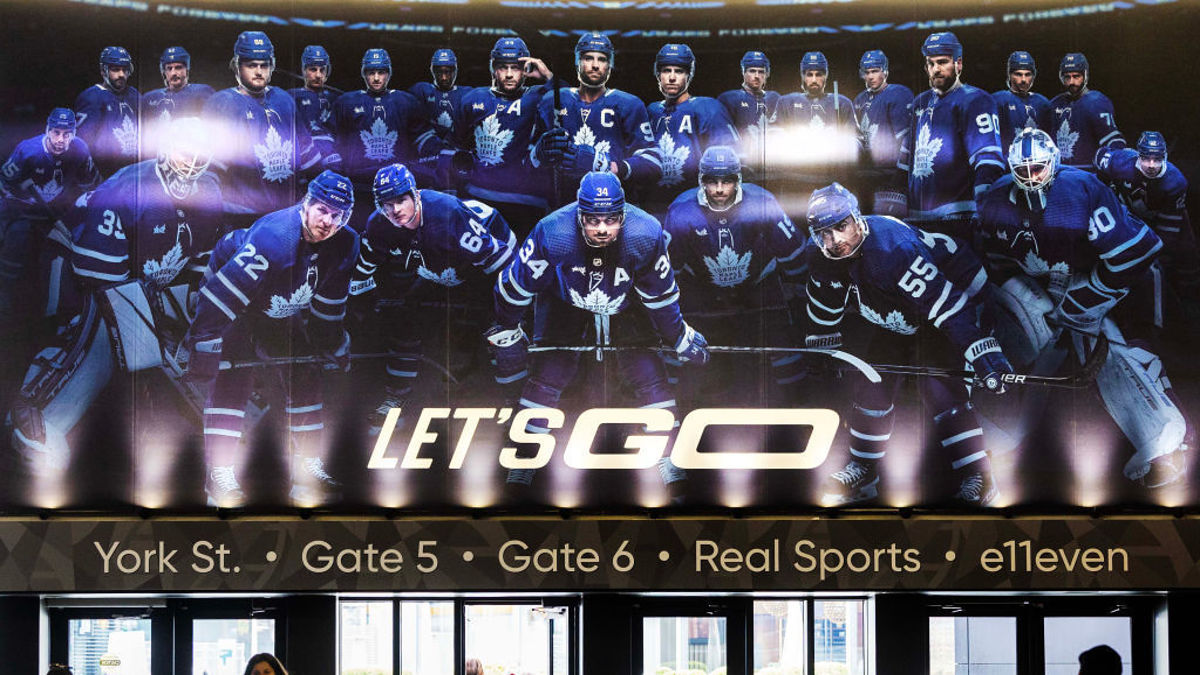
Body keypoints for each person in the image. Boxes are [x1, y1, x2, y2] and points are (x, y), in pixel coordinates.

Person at [7, 118, 223, 480]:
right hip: (78, 262)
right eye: (186, 150)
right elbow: (100, 279)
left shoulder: (212, 191)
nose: (192, 161)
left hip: (143, 277)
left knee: (168, 340)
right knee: (97, 337)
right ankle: (36, 411)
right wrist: (148, 333)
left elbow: (198, 267)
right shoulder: (126, 188)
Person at [977, 128, 1188, 488]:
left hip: (1098, 274)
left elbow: (1137, 252)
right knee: (1029, 349)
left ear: (1054, 164)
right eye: (1023, 169)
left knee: (1112, 349)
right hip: (1041, 281)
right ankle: (1003, 438)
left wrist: (1089, 295)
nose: (1030, 177)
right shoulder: (996, 198)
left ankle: (1166, 444)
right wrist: (1023, 292)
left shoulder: (1081, 189)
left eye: (1038, 169)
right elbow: (993, 257)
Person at [488, 171, 709, 495]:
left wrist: (678, 336)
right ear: (579, 215)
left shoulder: (645, 232)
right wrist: (507, 327)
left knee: (647, 373)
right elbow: (515, 286)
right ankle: (523, 457)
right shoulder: (553, 232)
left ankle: (667, 455)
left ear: (622, 215)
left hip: (626, 303)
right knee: (549, 375)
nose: (602, 228)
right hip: (565, 299)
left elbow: (661, 297)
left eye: (610, 219)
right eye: (593, 220)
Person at [804, 182, 1011, 506]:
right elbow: (824, 310)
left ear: (857, 218)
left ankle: (979, 474)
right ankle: (865, 467)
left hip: (956, 298)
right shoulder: (821, 255)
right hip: (900, 311)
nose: (835, 241)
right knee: (872, 381)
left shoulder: (893, 250)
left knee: (941, 387)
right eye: (825, 234)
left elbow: (949, 307)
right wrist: (820, 346)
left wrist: (983, 351)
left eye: (841, 227)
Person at [185, 170, 359, 507]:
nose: (329, 221)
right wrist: (204, 343)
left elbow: (329, 307)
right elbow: (219, 297)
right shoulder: (274, 238)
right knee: (232, 377)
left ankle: (308, 467)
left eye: (338, 215)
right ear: (306, 204)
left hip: (278, 304)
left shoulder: (346, 244)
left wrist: (333, 344)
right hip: (234, 304)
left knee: (305, 371)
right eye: (322, 210)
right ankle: (218, 473)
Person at [350, 163, 516, 427]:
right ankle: (396, 397)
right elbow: (362, 269)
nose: (395, 210)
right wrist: (362, 303)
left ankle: (515, 402)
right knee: (405, 320)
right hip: (436, 266)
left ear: (415, 194)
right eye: (387, 204)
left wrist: (510, 307)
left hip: (485, 259)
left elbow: (502, 260)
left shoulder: (447, 214)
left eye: (401, 200)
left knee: (500, 328)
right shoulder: (379, 224)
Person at [662, 145, 808, 402]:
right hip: (702, 287)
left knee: (782, 342)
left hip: (757, 283)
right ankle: (671, 400)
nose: (719, 189)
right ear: (701, 181)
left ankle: (800, 402)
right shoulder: (680, 211)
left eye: (727, 181)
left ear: (738, 180)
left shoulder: (762, 202)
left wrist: (796, 293)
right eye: (712, 181)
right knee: (679, 342)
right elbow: (668, 271)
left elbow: (795, 253)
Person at [893, 32, 1005, 242]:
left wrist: (984, 208)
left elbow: (988, 162)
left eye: (943, 62)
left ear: (958, 64)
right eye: (931, 63)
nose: (936, 69)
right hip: (918, 219)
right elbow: (906, 162)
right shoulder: (920, 102)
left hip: (960, 218)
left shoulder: (976, 101)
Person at [203, 31, 325, 223]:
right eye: (251, 65)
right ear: (237, 66)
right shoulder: (221, 104)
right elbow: (209, 174)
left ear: (272, 65)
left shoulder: (284, 100)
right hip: (241, 217)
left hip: (287, 214)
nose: (259, 72)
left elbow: (309, 158)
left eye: (264, 65)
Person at [530, 32, 656, 207]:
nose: (595, 65)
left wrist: (607, 166)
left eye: (602, 59)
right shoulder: (552, 101)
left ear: (610, 65)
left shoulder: (629, 104)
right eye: (588, 58)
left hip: (612, 208)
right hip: (563, 206)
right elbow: (527, 159)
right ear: (577, 62)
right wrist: (538, 153)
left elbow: (653, 162)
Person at [0, 108, 101, 323]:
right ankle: (5, 311)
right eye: (56, 132)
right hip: (22, 214)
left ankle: (47, 314)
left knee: (49, 265)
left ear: (74, 133)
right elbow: (3, 184)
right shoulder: (27, 151)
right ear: (47, 129)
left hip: (53, 216)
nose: (60, 140)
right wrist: (21, 202)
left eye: (67, 134)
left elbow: (91, 186)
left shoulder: (80, 150)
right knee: (15, 254)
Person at [451, 37, 556, 237]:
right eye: (502, 67)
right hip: (479, 196)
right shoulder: (472, 99)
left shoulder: (539, 96)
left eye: (515, 68)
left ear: (525, 69)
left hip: (526, 201)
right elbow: (456, 145)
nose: (509, 74)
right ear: (493, 68)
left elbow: (567, 103)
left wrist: (547, 75)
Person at [331, 48, 442, 232]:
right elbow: (328, 136)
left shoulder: (406, 102)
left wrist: (437, 153)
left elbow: (424, 138)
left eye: (381, 72)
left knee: (393, 239)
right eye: (371, 72)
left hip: (395, 191)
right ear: (363, 74)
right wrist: (332, 159)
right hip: (358, 187)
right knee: (358, 234)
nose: (376, 78)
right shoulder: (346, 103)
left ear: (388, 73)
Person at [1095, 131, 1198, 330]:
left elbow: (1167, 233)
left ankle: (1189, 300)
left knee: (1186, 251)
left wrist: (1152, 256)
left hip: (1160, 217)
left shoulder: (1176, 182)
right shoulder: (1120, 162)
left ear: (1165, 157)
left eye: (1157, 159)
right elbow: (1099, 157)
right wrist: (1104, 190)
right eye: (1146, 158)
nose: (1151, 165)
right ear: (1137, 156)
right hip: (1130, 213)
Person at [636, 43, 739, 219]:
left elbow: (731, 160)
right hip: (654, 207)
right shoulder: (651, 110)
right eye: (666, 70)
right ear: (658, 74)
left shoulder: (709, 108)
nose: (672, 77)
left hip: (696, 209)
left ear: (689, 74)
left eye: (679, 71)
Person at [853, 49, 913, 201]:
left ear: (885, 71)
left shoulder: (898, 94)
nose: (870, 76)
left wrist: (901, 174)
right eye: (867, 72)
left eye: (875, 71)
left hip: (890, 174)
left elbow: (907, 140)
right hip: (866, 174)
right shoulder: (860, 100)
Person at [1048, 53, 1124, 171]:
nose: (1071, 82)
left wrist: (1114, 167)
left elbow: (1113, 141)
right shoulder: (1054, 104)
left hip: (1088, 175)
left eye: (1076, 76)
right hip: (1059, 174)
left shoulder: (1096, 102)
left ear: (1085, 75)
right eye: (1067, 77)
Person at [74, 46, 140, 178]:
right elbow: (82, 143)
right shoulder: (92, 97)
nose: (121, 74)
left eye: (125, 69)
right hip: (106, 174)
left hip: (131, 171)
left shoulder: (134, 94)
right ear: (103, 71)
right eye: (115, 69)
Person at [717, 51, 780, 171]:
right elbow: (722, 135)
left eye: (761, 71)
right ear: (744, 72)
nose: (757, 76)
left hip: (772, 164)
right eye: (752, 71)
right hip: (742, 164)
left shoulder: (775, 98)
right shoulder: (729, 99)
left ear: (767, 74)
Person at [141, 46, 215, 136]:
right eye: (169, 68)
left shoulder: (202, 92)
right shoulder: (150, 98)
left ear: (186, 70)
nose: (174, 73)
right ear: (164, 72)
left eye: (178, 67)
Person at [990, 51, 1050, 159]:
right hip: (1007, 166)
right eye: (1018, 74)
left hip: (1037, 166)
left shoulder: (1042, 103)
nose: (1023, 80)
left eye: (1028, 74)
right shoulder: (998, 100)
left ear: (1034, 75)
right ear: (1009, 75)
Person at [289, 45, 338, 169]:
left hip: (333, 155)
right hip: (306, 155)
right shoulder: (292, 96)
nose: (318, 75)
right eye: (313, 69)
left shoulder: (334, 99)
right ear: (304, 70)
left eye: (322, 70)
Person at [409, 48, 466, 145]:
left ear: (455, 71)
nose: (444, 78)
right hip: (428, 148)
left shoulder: (467, 94)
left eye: (448, 72)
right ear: (432, 71)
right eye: (440, 72)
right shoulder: (421, 91)